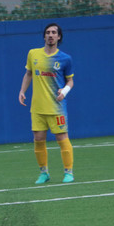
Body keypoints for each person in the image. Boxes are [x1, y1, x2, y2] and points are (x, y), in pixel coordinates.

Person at [19, 22, 75, 184]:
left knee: (62, 138)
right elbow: (28, 74)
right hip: (37, 107)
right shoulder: (33, 54)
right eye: (48, 32)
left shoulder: (65, 59)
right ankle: (44, 173)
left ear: (59, 37)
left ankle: (68, 172)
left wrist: (64, 92)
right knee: (38, 139)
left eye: (54, 33)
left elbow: (70, 81)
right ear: (44, 36)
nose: (50, 35)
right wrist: (22, 91)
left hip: (56, 107)